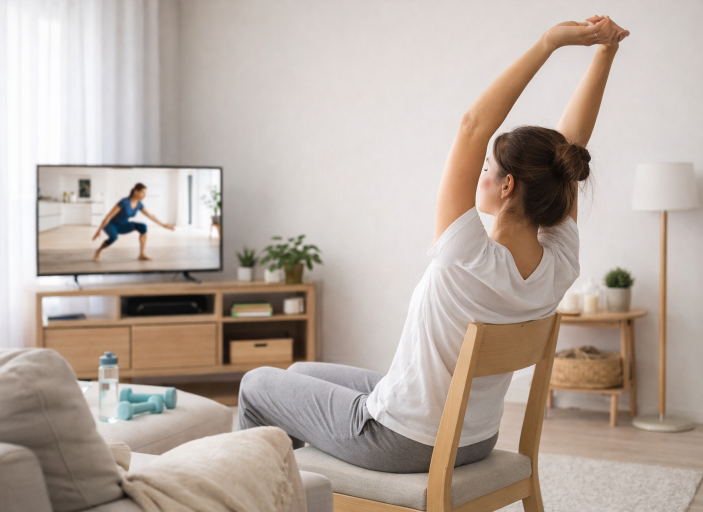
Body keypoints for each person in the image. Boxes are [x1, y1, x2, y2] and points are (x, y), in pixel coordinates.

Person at [238, 16, 629, 473]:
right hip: (475, 439)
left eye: (486, 167)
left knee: (256, 384)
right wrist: (605, 54)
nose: (478, 172)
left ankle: (256, 492)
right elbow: (570, 148)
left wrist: (549, 43)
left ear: (506, 186)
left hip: (401, 440)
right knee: (300, 376)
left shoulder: (465, 253)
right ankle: (304, 493)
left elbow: (472, 125)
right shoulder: (561, 262)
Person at [93, 183, 175, 262]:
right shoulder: (124, 202)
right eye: (143, 193)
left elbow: (150, 215)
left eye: (145, 193)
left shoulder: (139, 204)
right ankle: (98, 251)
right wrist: (99, 230)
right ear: (136, 191)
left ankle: (141, 254)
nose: (144, 195)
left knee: (143, 226)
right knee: (114, 237)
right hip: (110, 225)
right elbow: (109, 216)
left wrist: (163, 225)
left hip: (123, 225)